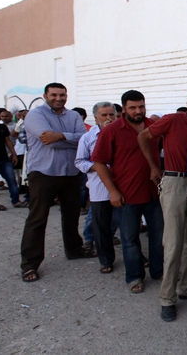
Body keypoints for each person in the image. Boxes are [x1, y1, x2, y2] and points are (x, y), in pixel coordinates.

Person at [138, 88, 187, 322]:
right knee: (173, 243)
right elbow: (143, 137)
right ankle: (167, 298)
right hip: (174, 182)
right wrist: (152, 166)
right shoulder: (171, 120)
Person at [91, 90, 164, 294]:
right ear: (123, 109)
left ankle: (158, 272)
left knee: (158, 236)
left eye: (141, 106)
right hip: (127, 196)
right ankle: (134, 277)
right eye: (132, 107)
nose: (138, 111)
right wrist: (112, 191)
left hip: (154, 194)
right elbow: (98, 162)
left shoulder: (154, 127)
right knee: (130, 240)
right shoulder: (112, 130)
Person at [20, 83, 90, 283]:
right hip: (44, 174)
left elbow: (84, 139)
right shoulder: (36, 115)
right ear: (45, 95)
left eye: (62, 94)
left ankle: (74, 249)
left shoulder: (73, 116)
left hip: (70, 173)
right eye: (54, 95)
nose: (58, 98)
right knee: (38, 218)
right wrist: (70, 139)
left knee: (71, 215)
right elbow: (47, 140)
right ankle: (30, 263)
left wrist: (60, 135)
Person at [74, 102, 122, 273]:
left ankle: (136, 256)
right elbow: (80, 161)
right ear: (96, 118)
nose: (109, 118)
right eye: (104, 115)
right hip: (99, 188)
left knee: (126, 225)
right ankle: (106, 260)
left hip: (123, 187)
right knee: (101, 227)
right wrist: (99, 167)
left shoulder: (122, 135)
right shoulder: (88, 138)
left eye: (111, 115)